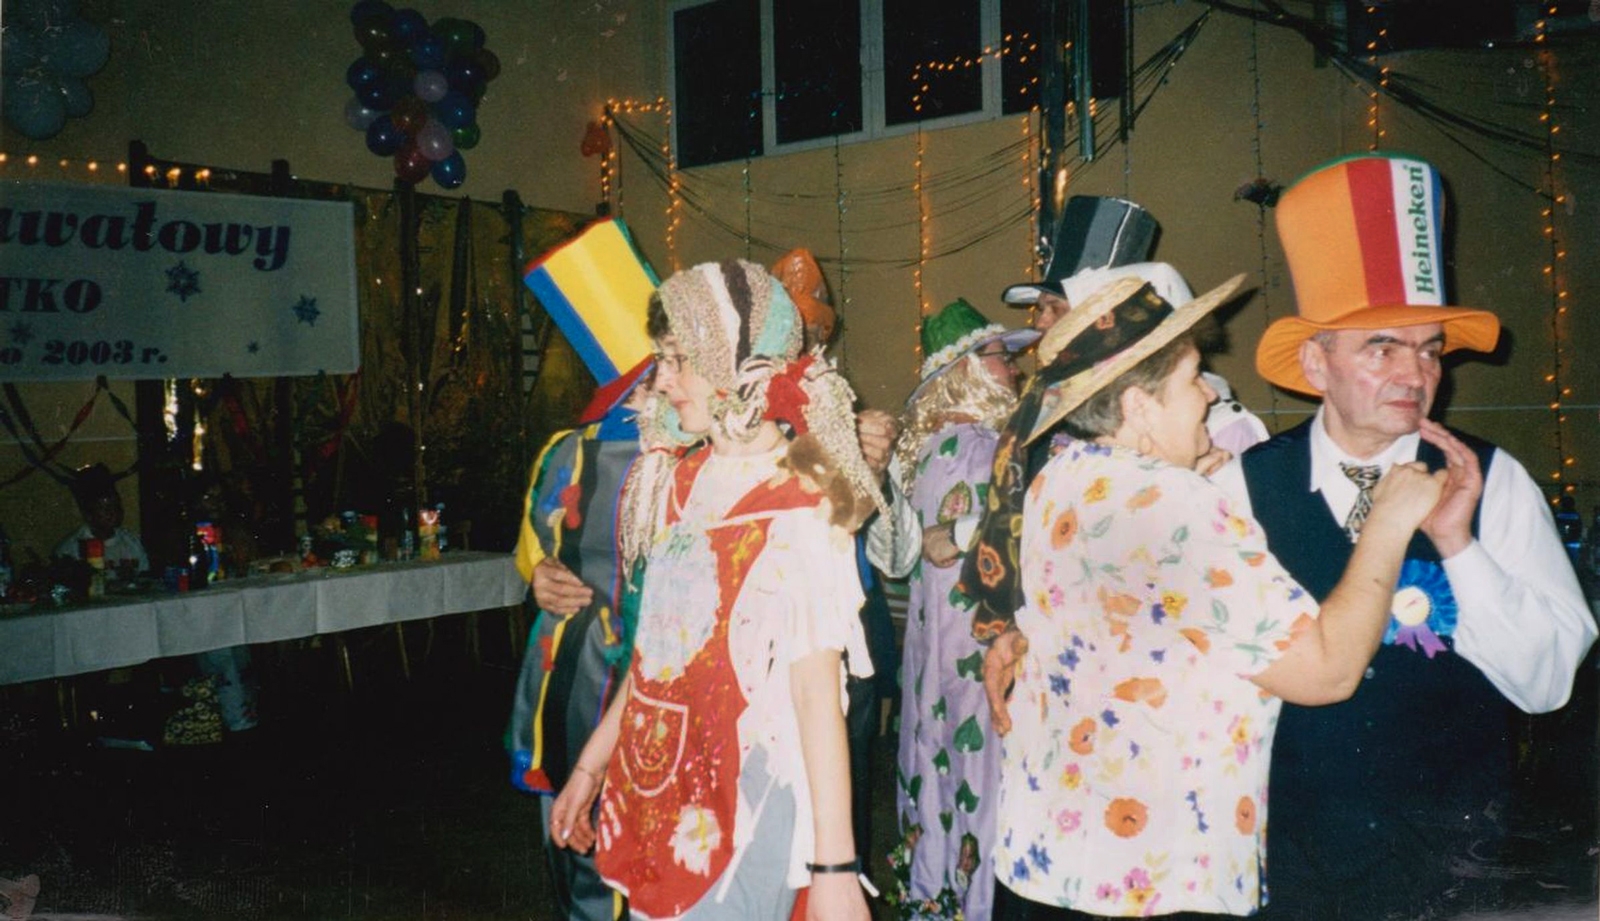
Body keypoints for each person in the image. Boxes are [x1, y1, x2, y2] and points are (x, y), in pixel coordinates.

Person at [977, 270, 1448, 918]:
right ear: (1139, 407)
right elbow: (1329, 671)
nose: (1208, 393)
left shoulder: (1059, 479)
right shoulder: (1177, 505)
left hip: (1051, 863)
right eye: (1192, 377)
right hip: (1157, 882)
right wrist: (1388, 523)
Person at [1213, 153, 1598, 918]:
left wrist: (1461, 546)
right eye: (1381, 346)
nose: (1415, 374)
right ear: (1316, 363)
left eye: (1429, 349)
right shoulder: (1239, 488)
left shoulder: (1493, 481)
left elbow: (1549, 684)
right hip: (1288, 865)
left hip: (1459, 870)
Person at [548, 259, 881, 921]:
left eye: (679, 359)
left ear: (737, 361)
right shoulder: (677, 482)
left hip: (746, 792)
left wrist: (835, 868)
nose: (661, 380)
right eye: (661, 359)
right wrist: (591, 766)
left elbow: (816, 696)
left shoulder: (800, 499)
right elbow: (658, 655)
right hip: (656, 784)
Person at [511, 216, 659, 921]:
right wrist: (537, 578)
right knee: (573, 843)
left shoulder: (700, 454)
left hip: (648, 678)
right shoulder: (563, 452)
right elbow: (532, 552)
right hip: (566, 672)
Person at [888, 298, 1038, 921]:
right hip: (979, 648)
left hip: (931, 656)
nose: (1013, 370)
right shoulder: (984, 446)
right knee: (980, 777)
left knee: (934, 769)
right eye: (1001, 359)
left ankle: (935, 900)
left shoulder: (922, 453)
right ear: (968, 370)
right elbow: (1022, 527)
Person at [54, 462, 149, 576]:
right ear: (88, 515)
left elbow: (145, 577)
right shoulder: (70, 549)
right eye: (105, 508)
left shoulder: (131, 542)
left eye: (116, 506)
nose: (113, 512)